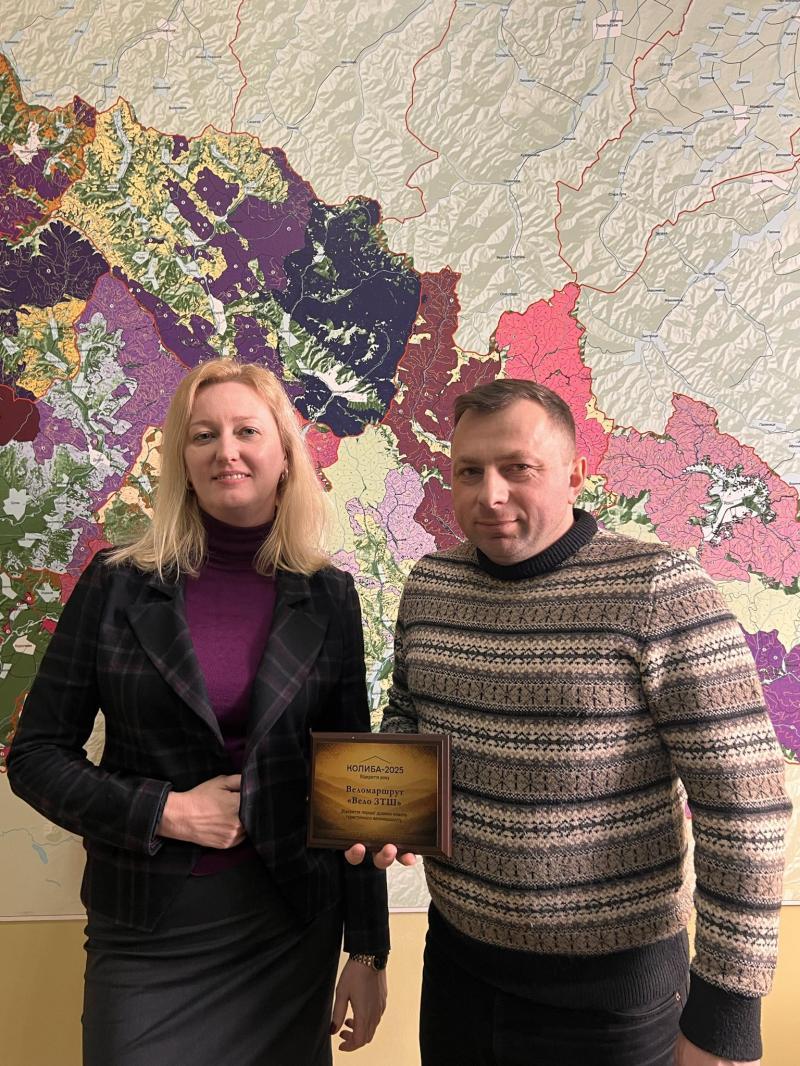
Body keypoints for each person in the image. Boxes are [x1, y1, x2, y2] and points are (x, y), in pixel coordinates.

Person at [346, 378, 790, 1066]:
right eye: (469, 471)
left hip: (616, 1006)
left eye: (517, 468)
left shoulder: (660, 590)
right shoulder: (430, 585)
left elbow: (745, 806)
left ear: (576, 475)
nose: (490, 494)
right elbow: (410, 714)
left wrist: (726, 1015)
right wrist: (387, 815)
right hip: (459, 975)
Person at [7, 358, 389, 1066]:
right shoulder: (116, 584)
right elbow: (35, 757)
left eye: (247, 431)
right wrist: (166, 811)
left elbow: (353, 783)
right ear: (183, 459)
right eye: (203, 434)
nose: (226, 451)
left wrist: (368, 949)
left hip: (288, 924)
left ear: (284, 454)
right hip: (147, 925)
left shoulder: (329, 596)